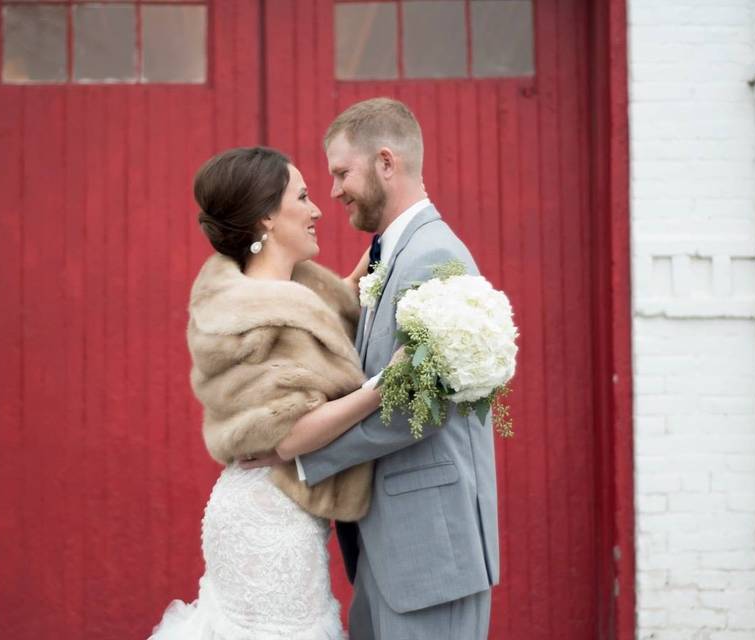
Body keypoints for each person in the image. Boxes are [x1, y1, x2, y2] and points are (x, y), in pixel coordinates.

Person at [242, 98, 500, 639]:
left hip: (429, 554)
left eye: (341, 173)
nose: (333, 191)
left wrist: (302, 452)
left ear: (387, 162)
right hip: (390, 546)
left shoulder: (430, 256)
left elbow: (421, 407)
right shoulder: (389, 254)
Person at [149, 146, 391, 639]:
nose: (318, 208)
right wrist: (382, 389)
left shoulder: (278, 293)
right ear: (266, 219)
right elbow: (290, 432)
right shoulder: (259, 314)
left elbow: (317, 319)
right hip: (269, 518)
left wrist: (383, 250)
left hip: (276, 505)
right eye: (302, 197)